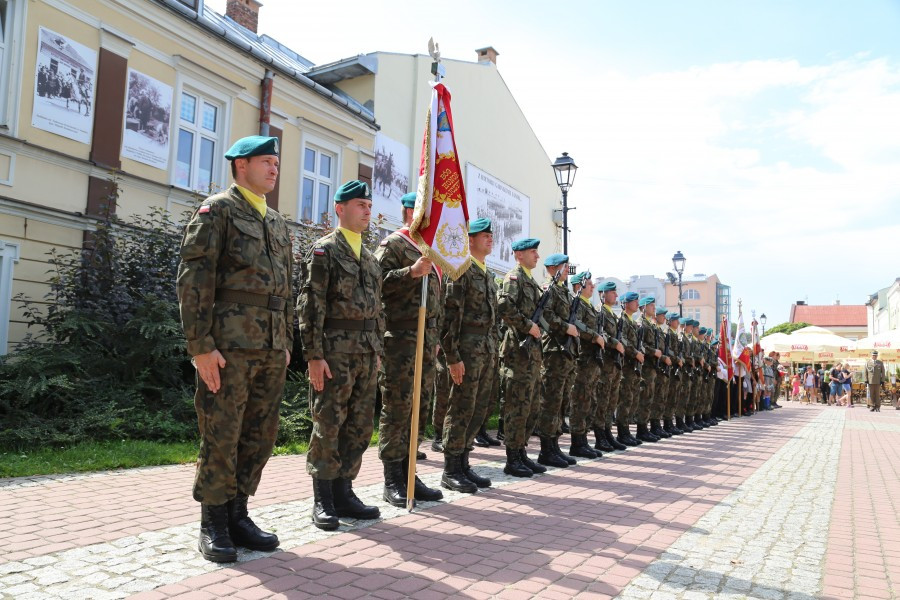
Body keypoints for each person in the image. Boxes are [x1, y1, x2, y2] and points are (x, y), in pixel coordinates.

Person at [177, 136, 292, 562]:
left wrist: (285, 344)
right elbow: (195, 279)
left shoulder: (278, 223)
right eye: (266, 161)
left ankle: (239, 514)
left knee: (259, 435)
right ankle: (213, 522)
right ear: (240, 166)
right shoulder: (218, 210)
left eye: (276, 162)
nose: (274, 169)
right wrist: (200, 345)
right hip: (228, 345)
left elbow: (286, 289)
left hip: (269, 346)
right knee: (222, 433)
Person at [298, 180, 384, 530]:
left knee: (360, 425)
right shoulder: (325, 249)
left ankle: (344, 490)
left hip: (365, 352)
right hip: (334, 352)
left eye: (368, 205)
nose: (367, 211)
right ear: (340, 209)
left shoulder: (369, 256)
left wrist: (377, 349)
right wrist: (313, 355)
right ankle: (323, 498)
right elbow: (311, 304)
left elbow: (378, 309)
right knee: (329, 422)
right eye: (360, 204)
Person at [374, 192, 444, 507]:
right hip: (400, 340)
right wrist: (411, 272)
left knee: (420, 408)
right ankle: (392, 479)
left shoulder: (431, 251)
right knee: (398, 409)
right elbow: (374, 282)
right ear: (407, 212)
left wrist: (437, 339)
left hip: (426, 344)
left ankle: (409, 472)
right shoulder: (393, 245)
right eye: (421, 213)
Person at [439, 218, 499, 492]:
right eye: (483, 235)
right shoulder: (460, 270)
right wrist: (452, 357)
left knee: (477, 410)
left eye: (490, 235)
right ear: (469, 240)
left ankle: (464, 463)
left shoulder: (487, 274)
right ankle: (450, 469)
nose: (489, 239)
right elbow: (448, 318)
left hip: (486, 350)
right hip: (466, 350)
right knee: (461, 408)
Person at [497, 238, 548, 477]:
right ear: (519, 255)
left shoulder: (531, 281)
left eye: (537, 252)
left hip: (532, 353)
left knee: (532, 405)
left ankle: (521, 453)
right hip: (518, 351)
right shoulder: (513, 278)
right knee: (517, 405)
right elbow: (505, 307)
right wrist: (528, 326)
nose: (537, 256)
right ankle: (512, 457)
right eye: (532, 252)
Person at [534, 253, 580, 467]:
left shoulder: (563, 291)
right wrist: (565, 327)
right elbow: (546, 316)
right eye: (564, 266)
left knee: (561, 401)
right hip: (554, 350)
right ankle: (546, 448)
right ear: (553, 268)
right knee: (551, 401)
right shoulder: (548, 289)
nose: (567, 269)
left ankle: (555, 445)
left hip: (566, 352)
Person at [567, 271, 606, 458]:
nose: (592, 287)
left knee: (589, 400)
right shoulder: (577, 304)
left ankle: (583, 440)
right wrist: (595, 336)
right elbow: (578, 326)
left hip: (592, 360)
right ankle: (577, 442)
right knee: (580, 400)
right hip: (583, 359)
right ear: (578, 286)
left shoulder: (590, 306)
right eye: (589, 284)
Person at [592, 281, 627, 451]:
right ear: (603, 294)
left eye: (615, 293)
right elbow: (601, 333)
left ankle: (607, 432)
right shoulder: (600, 312)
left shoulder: (612, 314)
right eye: (612, 293)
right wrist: (615, 343)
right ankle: (600, 436)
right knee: (602, 400)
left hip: (613, 363)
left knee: (611, 400)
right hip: (604, 362)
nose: (615, 296)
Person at [615, 292, 645, 446]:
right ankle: (622, 432)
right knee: (625, 399)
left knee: (630, 399)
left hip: (633, 366)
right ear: (626, 303)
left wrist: (640, 353)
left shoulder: (633, 323)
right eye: (635, 301)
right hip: (626, 365)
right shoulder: (622, 320)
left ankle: (626, 431)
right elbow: (623, 341)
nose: (637, 304)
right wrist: (636, 353)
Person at [634, 296, 663, 442]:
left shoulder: (650, 325)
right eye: (652, 306)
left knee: (649, 398)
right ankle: (641, 429)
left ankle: (646, 428)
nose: (654, 309)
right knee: (644, 398)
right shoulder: (640, 324)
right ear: (644, 307)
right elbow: (639, 345)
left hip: (651, 367)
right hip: (644, 366)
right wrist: (653, 352)